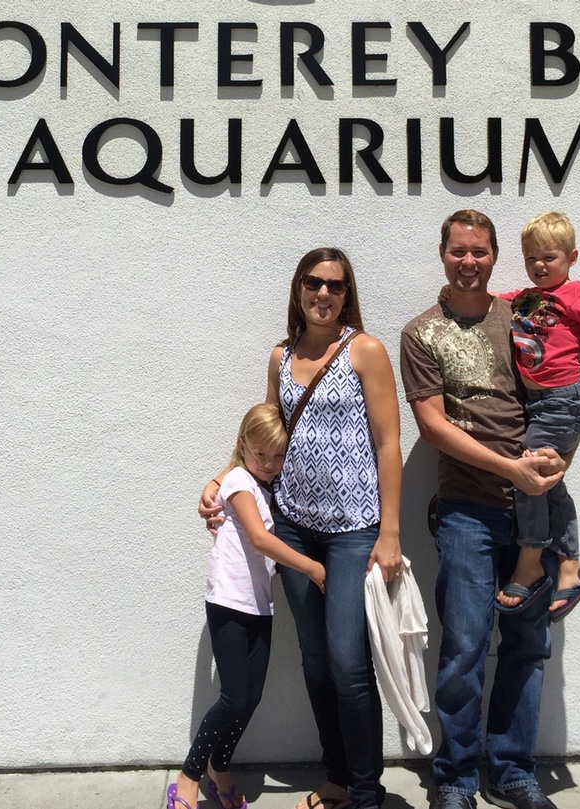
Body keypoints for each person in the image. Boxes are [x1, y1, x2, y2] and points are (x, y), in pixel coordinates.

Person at [200, 247, 403, 809]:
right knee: (315, 659)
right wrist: (221, 480)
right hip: (291, 524)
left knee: (347, 659)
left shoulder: (365, 350)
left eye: (335, 286)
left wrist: (389, 531)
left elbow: (389, 443)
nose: (323, 294)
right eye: (313, 283)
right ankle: (338, 777)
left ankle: (365, 792)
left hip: (354, 528)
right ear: (298, 290)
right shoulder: (281, 357)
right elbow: (264, 435)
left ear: (347, 293)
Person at [399, 210, 567, 809]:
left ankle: (513, 769)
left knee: (527, 642)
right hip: (467, 508)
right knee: (465, 645)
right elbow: (433, 427)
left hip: (535, 509)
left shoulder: (523, 317)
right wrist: (510, 469)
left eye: (480, 252)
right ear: (442, 254)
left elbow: (559, 391)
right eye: (458, 251)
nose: (469, 262)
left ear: (495, 256)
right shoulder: (421, 334)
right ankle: (456, 778)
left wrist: (557, 458)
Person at [169, 403, 327, 809]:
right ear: (243, 447)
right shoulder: (238, 479)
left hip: (258, 604)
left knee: (250, 697)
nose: (271, 464)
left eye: (279, 456)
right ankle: (188, 777)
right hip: (228, 601)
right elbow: (258, 538)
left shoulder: (266, 485)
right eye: (262, 455)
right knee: (234, 697)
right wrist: (312, 567)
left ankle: (219, 769)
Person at [493, 211, 580, 618]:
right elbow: (492, 304)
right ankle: (570, 567)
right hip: (536, 405)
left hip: (563, 401)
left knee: (528, 475)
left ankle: (530, 563)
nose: (539, 266)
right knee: (549, 483)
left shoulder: (579, 294)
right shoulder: (525, 299)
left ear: (572, 257)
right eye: (531, 258)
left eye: (548, 257)